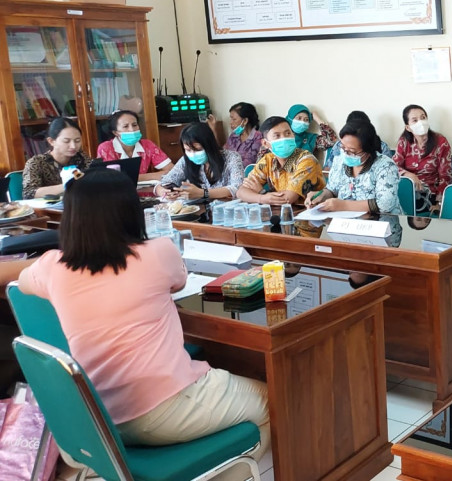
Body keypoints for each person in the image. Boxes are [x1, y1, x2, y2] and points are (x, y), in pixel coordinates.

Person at [16, 169, 269, 464]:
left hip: (99, 421)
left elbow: (22, 283)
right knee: (272, 399)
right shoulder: (157, 253)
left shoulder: (52, 267)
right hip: (165, 408)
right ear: (131, 213)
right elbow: (178, 282)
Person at [306, 120, 399, 215]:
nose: (345, 154)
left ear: (368, 151)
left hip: (381, 221)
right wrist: (321, 195)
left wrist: (343, 205)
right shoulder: (339, 161)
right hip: (345, 221)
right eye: (343, 147)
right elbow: (332, 190)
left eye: (351, 151)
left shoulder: (386, 166)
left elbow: (385, 205)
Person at [238, 116, 325, 205]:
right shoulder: (268, 160)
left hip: (309, 210)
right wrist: (261, 198)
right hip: (283, 210)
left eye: (288, 133)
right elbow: (241, 192)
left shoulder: (306, 160)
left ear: (293, 135)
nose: (284, 138)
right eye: (277, 136)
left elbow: (287, 199)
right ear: (265, 143)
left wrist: (262, 192)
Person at [154, 122, 245, 201]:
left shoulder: (232, 158)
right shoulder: (186, 160)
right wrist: (163, 191)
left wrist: (203, 193)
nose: (193, 154)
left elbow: (237, 187)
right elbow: (164, 182)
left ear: (209, 145)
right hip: (196, 210)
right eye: (188, 150)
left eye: (198, 149)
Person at [392, 104, 452, 213]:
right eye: (415, 120)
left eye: (423, 117)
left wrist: (439, 203)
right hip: (406, 191)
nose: (421, 122)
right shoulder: (404, 141)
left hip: (430, 194)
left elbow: (445, 175)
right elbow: (393, 167)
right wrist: (409, 175)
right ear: (408, 127)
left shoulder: (440, 142)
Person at [21, 117, 91, 199]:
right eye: (66, 141)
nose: (73, 146)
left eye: (77, 141)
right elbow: (29, 193)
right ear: (51, 141)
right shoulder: (37, 162)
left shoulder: (81, 157)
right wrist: (67, 185)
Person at [95, 110, 172, 180]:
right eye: (125, 126)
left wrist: (135, 177)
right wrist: (153, 176)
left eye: (134, 125)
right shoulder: (106, 148)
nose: (132, 129)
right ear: (115, 132)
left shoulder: (147, 145)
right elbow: (113, 178)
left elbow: (171, 170)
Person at [324, 111, 392, 170]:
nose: (346, 153)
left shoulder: (382, 147)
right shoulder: (339, 145)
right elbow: (326, 171)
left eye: (352, 151)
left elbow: (388, 169)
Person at [207, 102, 263, 167]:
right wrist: (213, 129)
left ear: (245, 121)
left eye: (234, 119)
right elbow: (222, 153)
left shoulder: (258, 138)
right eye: (231, 119)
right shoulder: (234, 135)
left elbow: (248, 164)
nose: (230, 122)